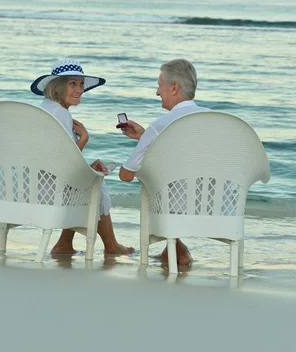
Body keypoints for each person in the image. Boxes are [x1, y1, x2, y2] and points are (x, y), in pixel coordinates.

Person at [30, 58, 134, 257]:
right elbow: (66, 165)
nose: (79, 90)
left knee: (86, 177)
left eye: (81, 84)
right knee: (95, 181)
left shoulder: (44, 109)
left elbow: (55, 159)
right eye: (72, 84)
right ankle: (111, 245)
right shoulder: (60, 114)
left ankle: (64, 243)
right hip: (47, 191)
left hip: (31, 184)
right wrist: (84, 139)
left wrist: (85, 166)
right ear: (57, 86)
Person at [118, 58, 210, 266]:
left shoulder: (161, 125)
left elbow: (125, 175)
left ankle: (177, 248)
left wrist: (150, 138)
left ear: (174, 88)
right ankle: (175, 250)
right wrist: (146, 138)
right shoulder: (215, 120)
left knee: (157, 183)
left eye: (160, 86)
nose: (157, 92)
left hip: (174, 209)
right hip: (216, 205)